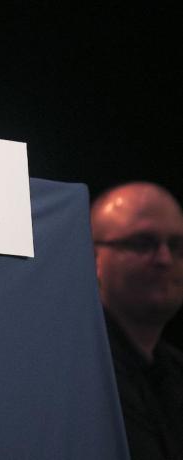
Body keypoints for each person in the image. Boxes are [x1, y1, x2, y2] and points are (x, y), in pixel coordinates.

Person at [91, 181, 183, 459]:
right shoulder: (78, 375)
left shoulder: (175, 370)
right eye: (143, 243)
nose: (165, 259)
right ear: (92, 256)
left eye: (177, 245)